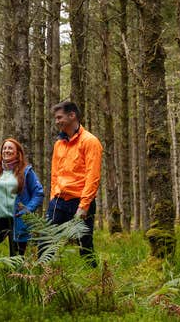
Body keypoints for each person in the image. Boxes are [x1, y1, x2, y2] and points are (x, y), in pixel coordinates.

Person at [47, 101, 103, 267]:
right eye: (55, 118)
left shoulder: (90, 141)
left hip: (79, 202)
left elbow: (92, 176)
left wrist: (84, 206)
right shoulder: (59, 144)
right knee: (47, 243)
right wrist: (52, 198)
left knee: (84, 244)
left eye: (59, 117)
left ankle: (94, 281)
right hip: (57, 201)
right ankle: (44, 280)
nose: (56, 121)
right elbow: (55, 174)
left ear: (72, 116)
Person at [0, 138, 44, 264]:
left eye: (10, 148)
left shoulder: (26, 171)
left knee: (16, 259)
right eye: (4, 148)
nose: (6, 150)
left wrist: (27, 209)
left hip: (18, 220)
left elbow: (38, 193)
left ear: (18, 152)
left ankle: (14, 281)